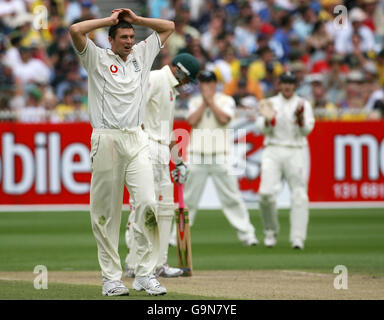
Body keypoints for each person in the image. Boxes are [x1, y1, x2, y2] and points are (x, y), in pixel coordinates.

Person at [69, 8, 174, 296]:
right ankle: (111, 279)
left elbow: (168, 27)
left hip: (136, 137)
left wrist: (138, 21)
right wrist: (108, 20)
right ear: (111, 39)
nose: (129, 41)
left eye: (131, 36)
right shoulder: (97, 57)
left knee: (149, 205)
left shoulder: (142, 53)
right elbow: (76, 30)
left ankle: (144, 273)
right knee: (106, 213)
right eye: (124, 36)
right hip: (106, 139)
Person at [124, 53, 201, 278]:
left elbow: (167, 134)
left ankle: (158, 263)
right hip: (145, 145)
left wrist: (178, 161)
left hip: (159, 150)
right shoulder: (156, 78)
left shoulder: (171, 89)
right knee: (143, 205)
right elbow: (134, 109)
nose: (188, 85)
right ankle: (135, 262)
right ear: (180, 71)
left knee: (165, 207)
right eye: (188, 79)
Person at [172, 70, 258, 246]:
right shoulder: (195, 101)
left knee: (232, 197)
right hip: (197, 155)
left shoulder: (227, 101)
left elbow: (224, 118)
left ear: (215, 84)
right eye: (203, 82)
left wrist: (211, 101)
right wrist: (205, 102)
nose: (206, 85)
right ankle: (176, 237)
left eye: (210, 82)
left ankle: (247, 235)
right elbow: (191, 121)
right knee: (188, 198)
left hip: (220, 155)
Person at [255, 71, 315, 250]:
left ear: (295, 85)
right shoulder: (269, 103)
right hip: (273, 149)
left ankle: (298, 238)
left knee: (299, 195)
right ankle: (270, 231)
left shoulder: (303, 104)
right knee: (265, 193)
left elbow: (307, 130)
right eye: (284, 82)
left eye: (291, 82)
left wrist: (300, 119)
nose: (287, 86)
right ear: (279, 84)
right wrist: (268, 120)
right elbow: (261, 129)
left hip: (295, 150)